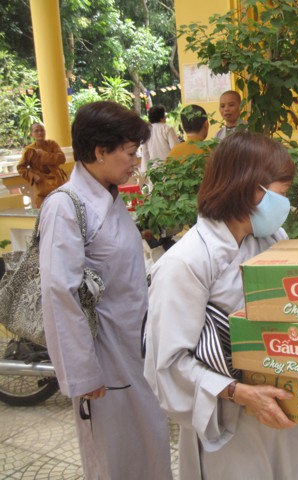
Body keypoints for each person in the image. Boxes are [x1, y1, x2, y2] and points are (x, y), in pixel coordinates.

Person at [143, 131, 298, 480]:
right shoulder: (186, 263)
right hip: (230, 418)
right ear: (250, 188)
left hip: (284, 405)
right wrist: (240, 393)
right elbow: (168, 366)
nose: (285, 204)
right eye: (281, 194)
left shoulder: (270, 239)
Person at [38, 101, 172, 479]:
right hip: (104, 361)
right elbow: (59, 293)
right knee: (115, 457)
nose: (136, 162)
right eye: (130, 153)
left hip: (134, 349)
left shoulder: (109, 196)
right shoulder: (66, 207)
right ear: (100, 152)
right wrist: (83, 374)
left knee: (148, 447)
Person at [17, 123, 68, 208]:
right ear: (31, 134)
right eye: (36, 131)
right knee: (45, 210)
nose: (40, 133)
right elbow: (20, 167)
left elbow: (62, 159)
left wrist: (44, 154)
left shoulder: (52, 144)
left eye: (42, 130)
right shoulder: (29, 150)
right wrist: (33, 176)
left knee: (62, 207)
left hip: (57, 181)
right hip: (42, 186)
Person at [140, 104, 179, 172]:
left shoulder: (146, 131)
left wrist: (144, 171)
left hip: (153, 171)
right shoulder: (168, 129)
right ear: (161, 117)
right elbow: (175, 149)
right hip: (169, 169)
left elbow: (145, 153)